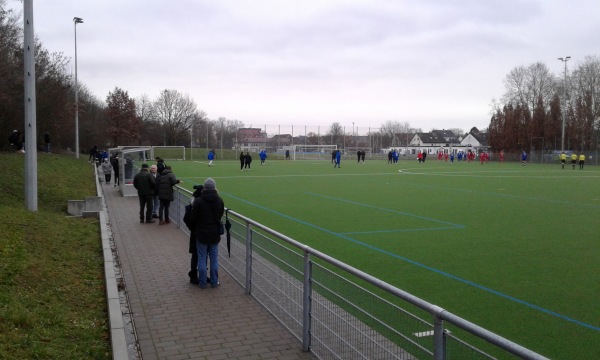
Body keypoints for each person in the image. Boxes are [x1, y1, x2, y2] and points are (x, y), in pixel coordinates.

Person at [191, 178, 225, 289]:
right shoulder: (219, 200)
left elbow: (193, 218)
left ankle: (202, 282)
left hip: (201, 233)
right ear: (214, 187)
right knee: (214, 259)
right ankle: (214, 282)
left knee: (201, 258)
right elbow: (219, 215)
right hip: (214, 233)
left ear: (205, 187)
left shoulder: (199, 201)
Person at [187, 185, 203, 285]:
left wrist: (191, 228)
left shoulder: (192, 203)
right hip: (200, 233)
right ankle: (199, 276)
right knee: (201, 255)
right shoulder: (198, 204)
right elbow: (188, 219)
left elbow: (187, 219)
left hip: (196, 233)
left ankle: (195, 276)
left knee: (196, 255)